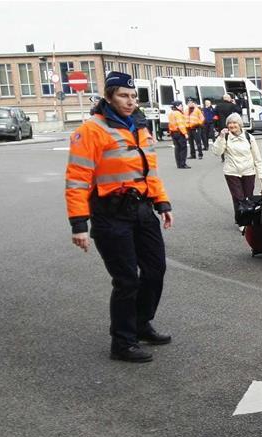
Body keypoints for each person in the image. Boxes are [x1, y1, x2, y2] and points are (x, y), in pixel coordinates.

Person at [65, 71, 174, 363]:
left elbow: (150, 170)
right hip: (110, 214)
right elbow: (77, 179)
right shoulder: (91, 130)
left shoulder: (139, 126)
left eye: (133, 96)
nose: (130, 101)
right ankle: (122, 342)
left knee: (155, 270)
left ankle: (141, 323)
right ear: (109, 97)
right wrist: (79, 224)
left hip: (141, 209)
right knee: (127, 280)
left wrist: (162, 203)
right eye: (124, 96)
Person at [210, 112, 262, 229]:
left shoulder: (249, 137)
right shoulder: (226, 137)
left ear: (240, 124)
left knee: (248, 197)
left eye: (234, 123)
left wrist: (261, 175)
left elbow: (257, 157)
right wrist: (221, 138)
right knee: (239, 197)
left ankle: (248, 218)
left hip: (248, 171)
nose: (232, 125)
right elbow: (217, 152)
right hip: (232, 172)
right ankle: (242, 221)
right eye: (229, 123)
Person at [167, 100, 190, 169]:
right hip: (179, 133)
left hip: (173, 133)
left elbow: (170, 124)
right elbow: (181, 124)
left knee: (177, 148)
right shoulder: (178, 113)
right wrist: (185, 133)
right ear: (177, 106)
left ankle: (179, 164)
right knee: (183, 148)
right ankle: (183, 164)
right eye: (181, 105)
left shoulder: (171, 113)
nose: (182, 107)